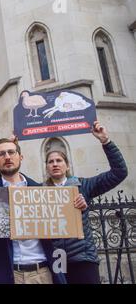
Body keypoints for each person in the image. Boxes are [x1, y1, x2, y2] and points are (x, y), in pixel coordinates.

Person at [0, 137, 69, 284]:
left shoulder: (40, 190)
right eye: (1, 154)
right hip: (7, 274)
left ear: (20, 157)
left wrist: (75, 209)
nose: (7, 157)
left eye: (11, 152)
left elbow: (60, 232)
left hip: (42, 272)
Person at [45, 121, 127, 284]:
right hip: (56, 260)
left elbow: (119, 172)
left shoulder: (83, 186)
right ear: (47, 167)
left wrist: (106, 141)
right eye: (51, 161)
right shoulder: (40, 192)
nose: (55, 164)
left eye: (59, 161)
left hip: (83, 259)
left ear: (67, 165)